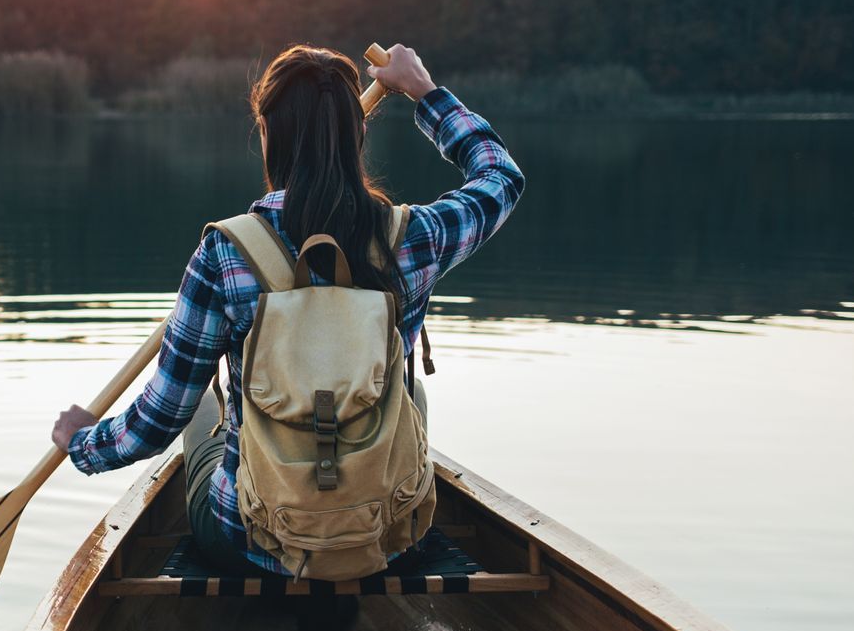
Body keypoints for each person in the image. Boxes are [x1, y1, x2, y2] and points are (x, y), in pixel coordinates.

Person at [50, 44, 524, 578]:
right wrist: (425, 91)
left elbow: (156, 422)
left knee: (206, 412)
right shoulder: (414, 237)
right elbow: (501, 178)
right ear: (358, 135)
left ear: (268, 135)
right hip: (386, 533)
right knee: (409, 389)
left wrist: (82, 442)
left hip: (252, 537)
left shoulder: (226, 252)